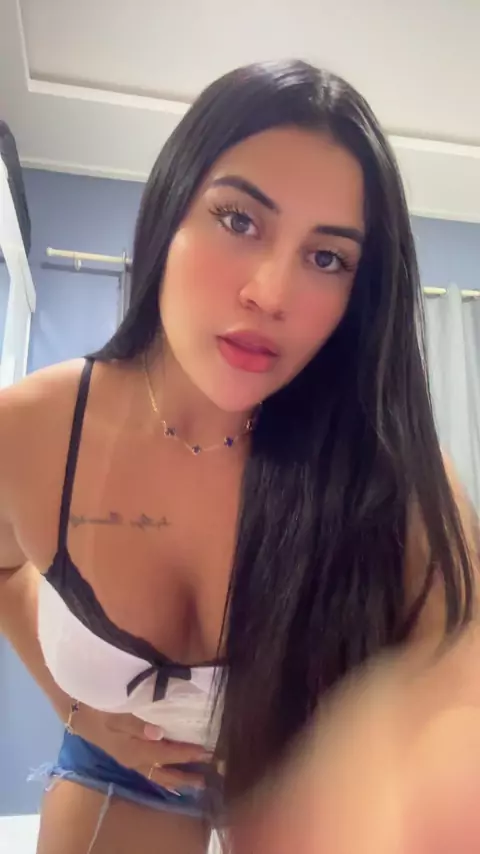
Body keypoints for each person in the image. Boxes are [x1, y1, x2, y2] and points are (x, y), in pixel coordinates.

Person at [0, 58, 478, 854]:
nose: (270, 293)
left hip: (298, 777)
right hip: (120, 770)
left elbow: (462, 652)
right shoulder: (29, 432)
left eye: (327, 258)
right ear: (171, 209)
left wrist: (407, 768)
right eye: (239, 220)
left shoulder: (387, 463)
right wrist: (74, 708)